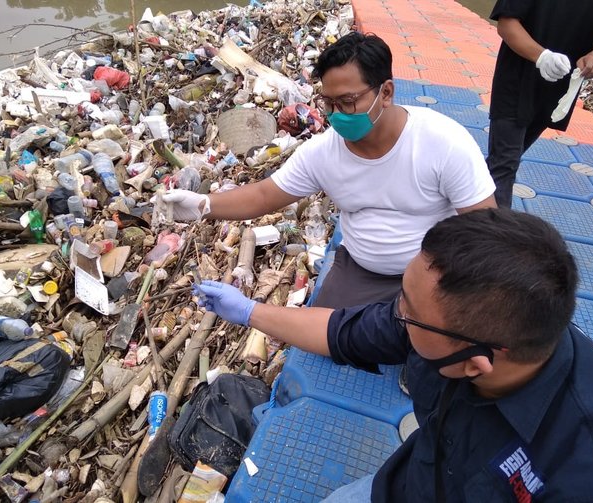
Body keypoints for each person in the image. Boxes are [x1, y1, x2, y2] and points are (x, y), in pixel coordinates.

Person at [195, 208, 593, 502]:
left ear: (477, 364)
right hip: (404, 485)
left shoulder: (591, 474)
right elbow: (340, 332)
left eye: (410, 312)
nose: (396, 314)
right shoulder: (434, 324)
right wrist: (249, 311)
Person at [163, 31, 496, 308]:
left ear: (387, 93)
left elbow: (483, 226)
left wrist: (450, 282)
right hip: (364, 270)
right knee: (333, 336)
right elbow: (265, 194)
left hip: (436, 271)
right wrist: (203, 205)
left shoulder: (443, 142)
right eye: (329, 103)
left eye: (349, 102)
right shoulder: (324, 153)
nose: (337, 115)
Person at [487, 0, 593, 208]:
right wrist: (542, 57)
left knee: (506, 158)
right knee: (505, 163)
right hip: (517, 78)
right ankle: (493, 234)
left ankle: (465, 192)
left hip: (561, 88)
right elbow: (507, 23)